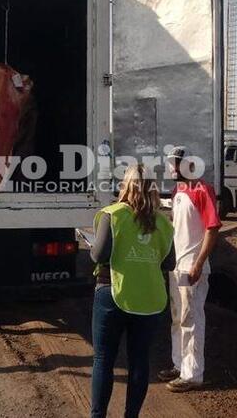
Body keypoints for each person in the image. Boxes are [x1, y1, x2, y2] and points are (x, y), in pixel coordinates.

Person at [90, 164, 175, 418]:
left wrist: (93, 245)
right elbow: (169, 263)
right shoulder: (163, 221)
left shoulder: (113, 214)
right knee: (139, 360)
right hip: (149, 299)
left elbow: (99, 255)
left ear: (125, 185)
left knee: (103, 359)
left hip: (112, 293)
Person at [158, 146, 221, 392]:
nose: (173, 167)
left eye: (178, 162)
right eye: (172, 163)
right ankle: (179, 365)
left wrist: (197, 264)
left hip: (191, 268)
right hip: (177, 266)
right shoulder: (178, 191)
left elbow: (212, 227)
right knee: (177, 318)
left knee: (191, 319)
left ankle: (193, 374)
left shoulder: (202, 190)